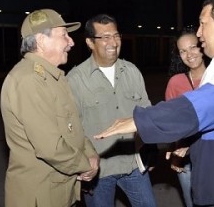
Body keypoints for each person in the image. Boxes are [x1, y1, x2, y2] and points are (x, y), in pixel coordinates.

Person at [94, 0, 214, 207]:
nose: (198, 33)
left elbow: (204, 106)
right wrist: (189, 145)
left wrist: (141, 120)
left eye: (203, 24)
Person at [0, 9, 100, 207]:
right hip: (40, 196)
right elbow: (50, 147)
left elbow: (72, 126)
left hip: (58, 190)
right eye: (64, 35)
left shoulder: (52, 77)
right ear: (41, 41)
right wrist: (85, 165)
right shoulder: (28, 80)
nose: (71, 42)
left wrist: (91, 153)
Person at [66, 14, 157, 207]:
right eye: (105, 37)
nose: (113, 42)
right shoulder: (76, 79)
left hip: (132, 165)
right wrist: (79, 168)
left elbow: (147, 114)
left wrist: (151, 151)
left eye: (116, 35)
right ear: (90, 42)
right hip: (99, 171)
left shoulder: (132, 71)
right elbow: (71, 129)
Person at [165, 27, 206, 207]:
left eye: (193, 47)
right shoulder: (176, 82)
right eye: (182, 51)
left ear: (203, 47)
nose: (189, 54)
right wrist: (175, 152)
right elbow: (171, 122)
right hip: (186, 159)